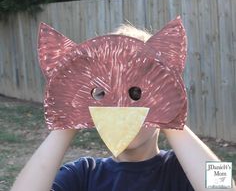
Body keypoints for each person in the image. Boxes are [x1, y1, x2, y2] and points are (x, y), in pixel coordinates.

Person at [11, 25, 236, 191]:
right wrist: (66, 116)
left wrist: (171, 117)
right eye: (102, 94)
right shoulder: (82, 175)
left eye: (136, 93)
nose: (121, 107)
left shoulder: (184, 169)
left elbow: (224, 187)